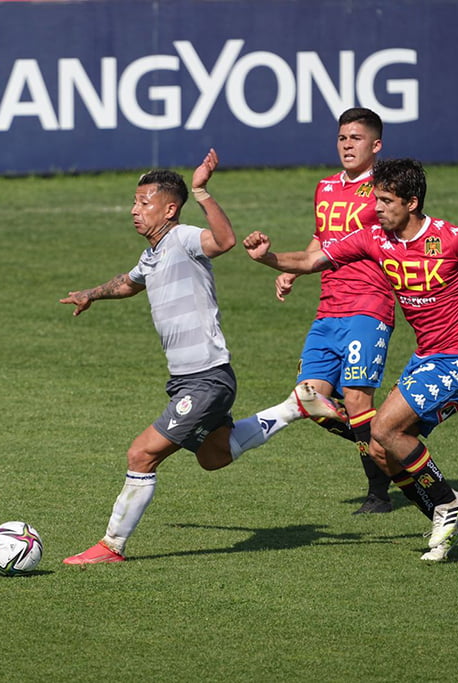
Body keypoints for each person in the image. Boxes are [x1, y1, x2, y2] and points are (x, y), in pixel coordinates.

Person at [244, 158, 458, 561]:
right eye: (376, 199)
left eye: (386, 201)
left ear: (412, 202)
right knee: (379, 447)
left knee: (385, 428)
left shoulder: (451, 239)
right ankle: (447, 520)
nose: (377, 208)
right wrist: (267, 257)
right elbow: (309, 262)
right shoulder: (373, 238)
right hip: (424, 358)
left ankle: (448, 503)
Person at [60, 149, 345, 565]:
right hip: (187, 379)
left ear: (169, 209)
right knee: (214, 456)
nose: (134, 210)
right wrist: (91, 294)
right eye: (134, 202)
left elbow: (224, 241)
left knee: (141, 454)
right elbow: (129, 282)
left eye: (144, 203)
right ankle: (294, 407)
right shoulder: (152, 254)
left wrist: (201, 191)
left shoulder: (183, 238)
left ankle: (111, 546)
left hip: (207, 378)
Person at [274, 107, 398, 514]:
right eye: (342, 138)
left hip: (369, 305)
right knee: (308, 400)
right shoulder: (325, 187)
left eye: (356, 138)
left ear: (375, 145)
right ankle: (389, 442)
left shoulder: (384, 191)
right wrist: (294, 271)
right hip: (329, 309)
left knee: (358, 401)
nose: (347, 145)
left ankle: (378, 493)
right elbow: (321, 238)